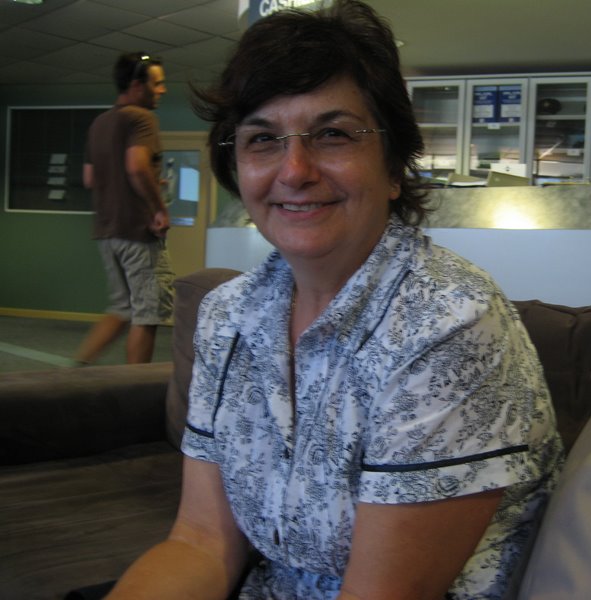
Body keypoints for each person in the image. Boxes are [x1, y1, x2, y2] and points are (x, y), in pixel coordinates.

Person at [107, 2, 562, 599]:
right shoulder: (227, 316)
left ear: (393, 167)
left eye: (332, 135)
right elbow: (200, 541)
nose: (294, 170)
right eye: (263, 139)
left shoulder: (449, 321)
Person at [76, 52, 175, 365]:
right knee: (147, 313)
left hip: (107, 232)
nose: (163, 90)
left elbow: (90, 178)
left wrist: (144, 182)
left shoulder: (100, 123)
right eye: (157, 84)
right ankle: (135, 386)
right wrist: (159, 209)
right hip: (136, 232)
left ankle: (76, 370)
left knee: (122, 308)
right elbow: (136, 166)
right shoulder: (141, 118)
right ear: (136, 85)